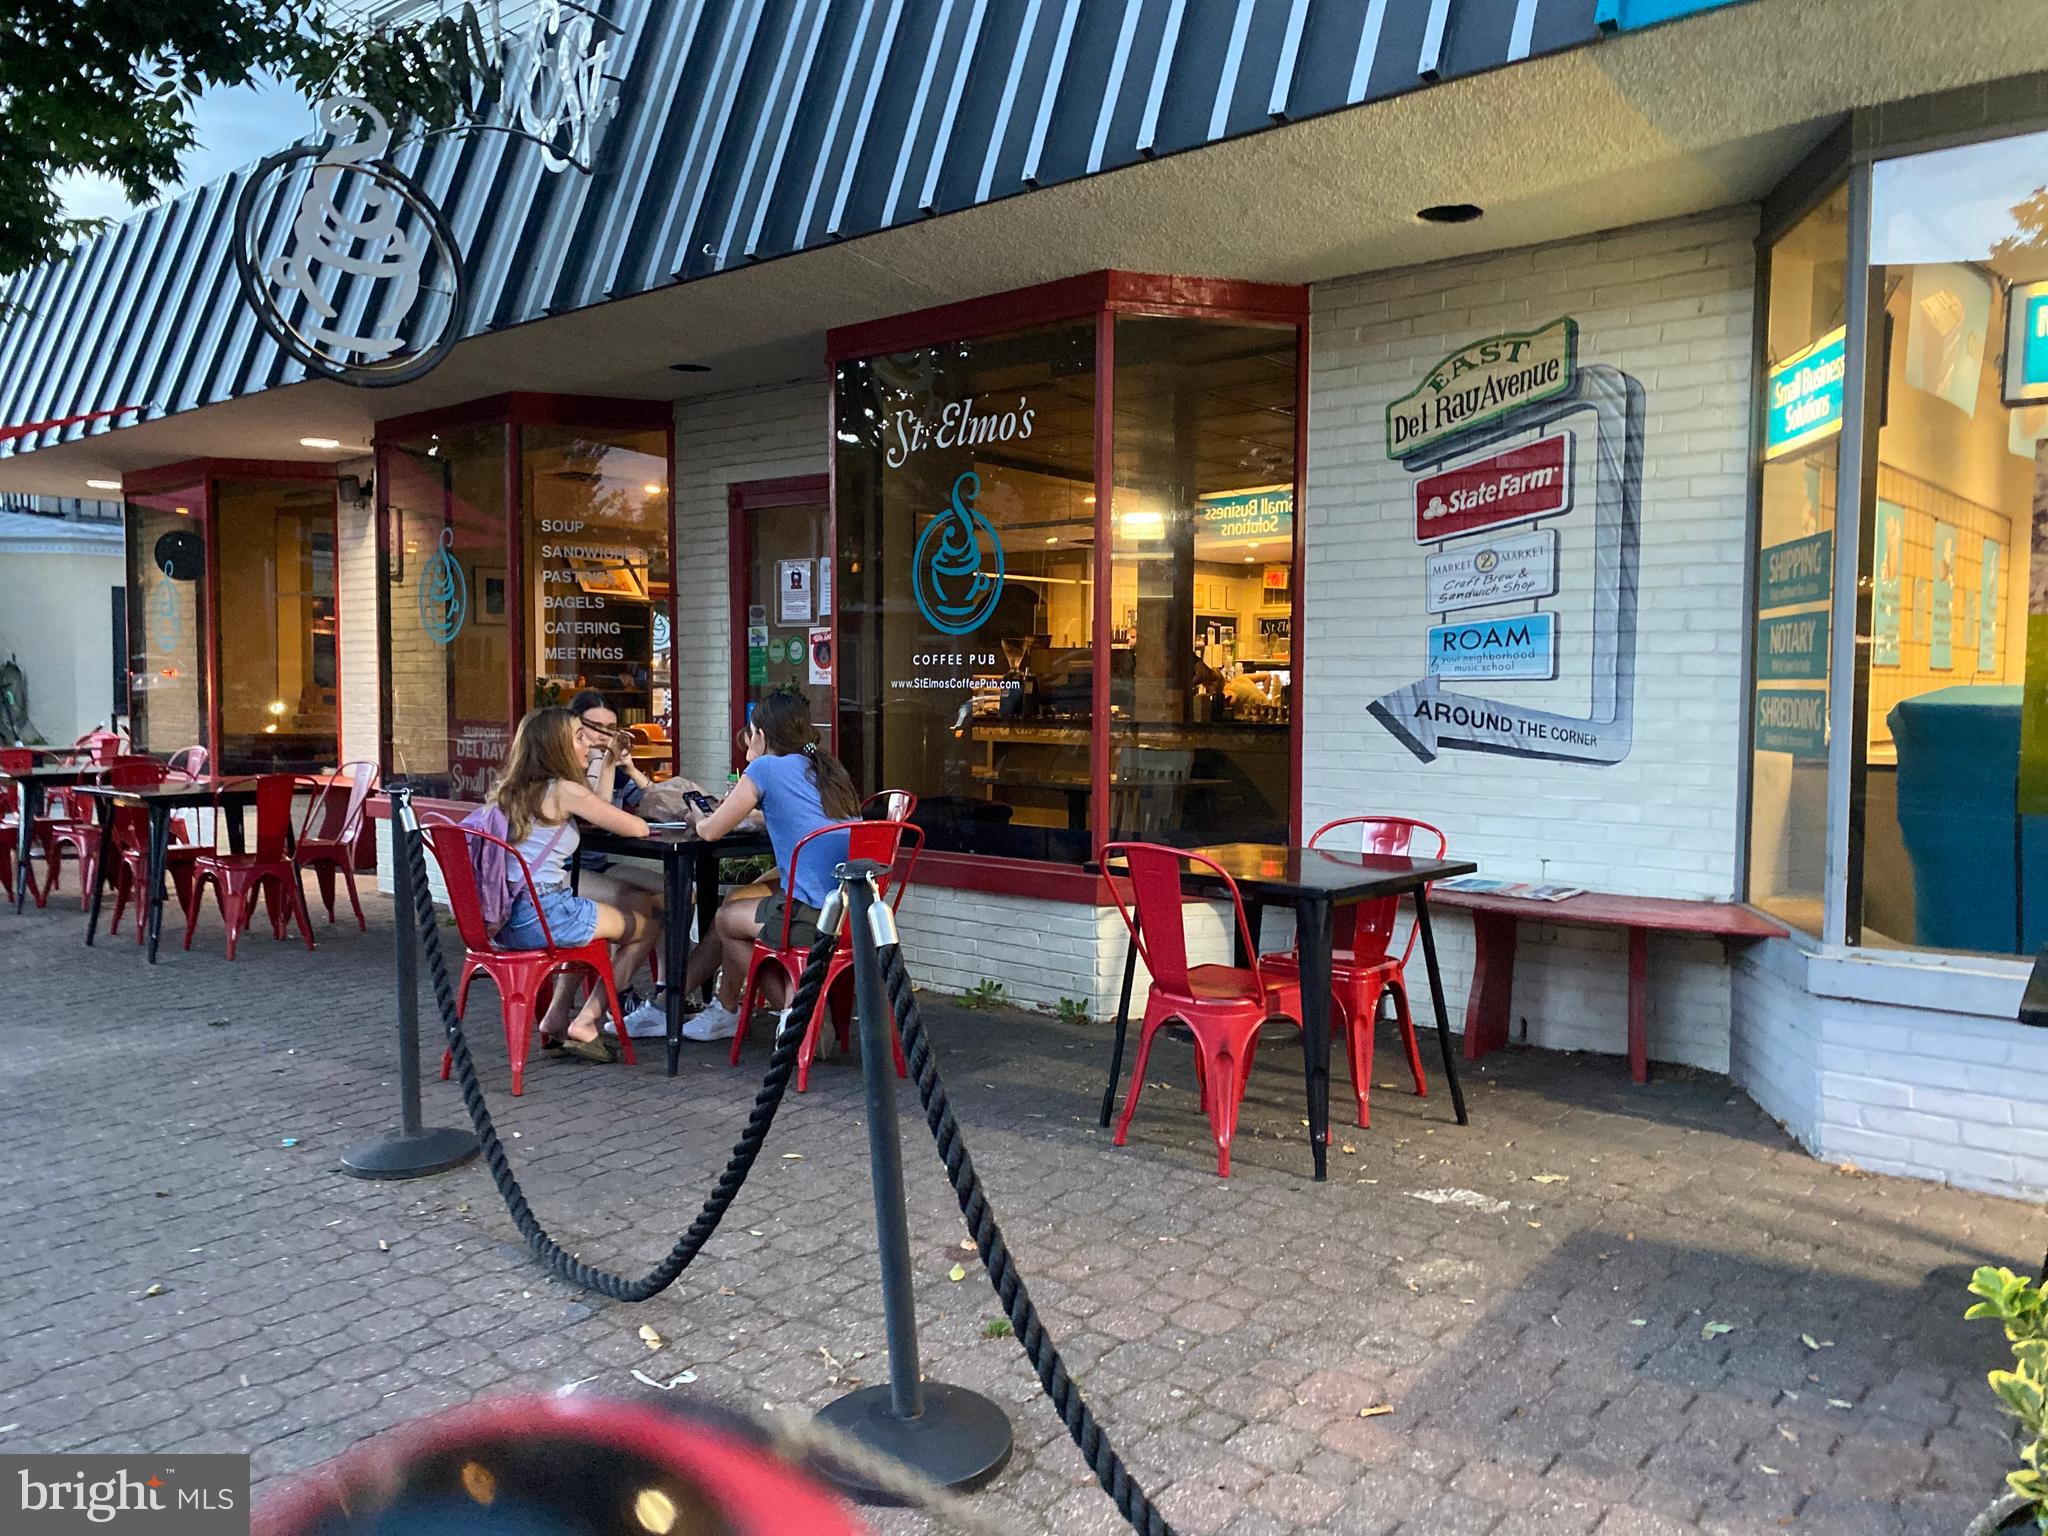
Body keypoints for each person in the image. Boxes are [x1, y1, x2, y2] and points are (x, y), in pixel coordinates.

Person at [674, 687, 859, 1042]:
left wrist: (697, 813)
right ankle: (729, 1007)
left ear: (759, 734)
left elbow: (711, 831)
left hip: (812, 915)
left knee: (726, 920)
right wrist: (759, 816)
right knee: (741, 901)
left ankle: (795, 1009)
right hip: (854, 913)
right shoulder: (828, 769)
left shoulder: (765, 768)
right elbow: (808, 818)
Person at [489, 706, 659, 1063]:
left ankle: (556, 1016)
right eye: (579, 738)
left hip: (506, 918)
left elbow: (596, 807)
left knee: (594, 927)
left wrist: (606, 763)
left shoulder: (509, 790)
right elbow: (635, 827)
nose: (587, 745)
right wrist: (608, 764)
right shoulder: (563, 790)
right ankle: (588, 1020)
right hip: (545, 912)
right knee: (646, 928)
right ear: (557, 747)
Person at [565, 690, 669, 1038]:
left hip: (596, 863)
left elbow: (656, 803)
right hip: (566, 872)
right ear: (573, 728)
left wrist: (630, 768)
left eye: (611, 728)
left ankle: (666, 990)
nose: (604, 736)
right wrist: (606, 761)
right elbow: (600, 813)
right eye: (595, 727)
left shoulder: (608, 769)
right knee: (639, 907)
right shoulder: (570, 773)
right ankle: (614, 998)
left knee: (675, 893)